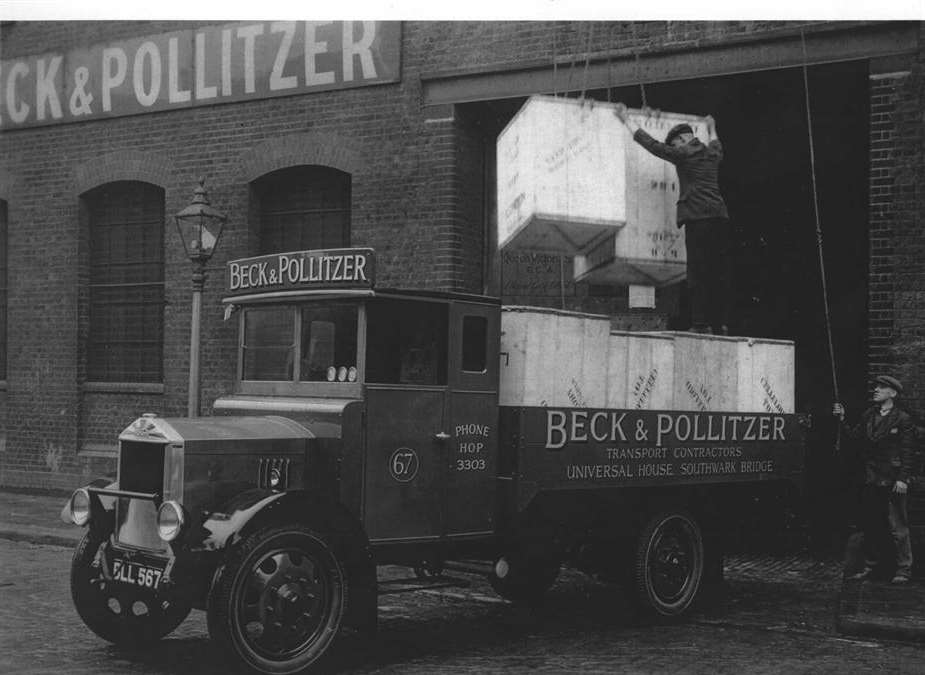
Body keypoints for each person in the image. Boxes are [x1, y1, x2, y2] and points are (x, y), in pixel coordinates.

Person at [613, 103, 732, 335]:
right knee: (716, 271)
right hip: (719, 217)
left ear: (683, 140)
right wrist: (712, 126)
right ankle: (720, 324)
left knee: (697, 272)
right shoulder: (711, 153)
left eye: (675, 143)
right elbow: (718, 144)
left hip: (699, 219)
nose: (674, 147)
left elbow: (653, 146)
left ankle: (700, 325)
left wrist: (626, 119)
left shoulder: (685, 154)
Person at [833, 375, 915, 583]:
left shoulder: (902, 418)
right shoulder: (869, 414)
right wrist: (842, 419)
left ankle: (904, 570)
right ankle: (872, 566)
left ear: (893, 393)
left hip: (893, 479)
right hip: (872, 478)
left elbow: (908, 452)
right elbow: (854, 438)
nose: (876, 390)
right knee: (871, 524)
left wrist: (903, 478)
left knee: (898, 526)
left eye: (882, 387)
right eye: (876, 387)